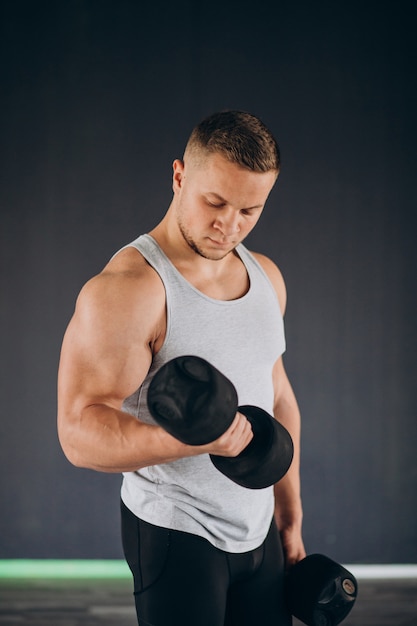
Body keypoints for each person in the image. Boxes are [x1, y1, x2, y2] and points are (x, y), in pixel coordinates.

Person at [57, 110, 306, 626]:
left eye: (249, 210)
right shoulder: (128, 290)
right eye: (214, 202)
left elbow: (277, 396)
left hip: (259, 529)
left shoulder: (268, 279)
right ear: (178, 176)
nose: (228, 225)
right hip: (177, 530)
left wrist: (290, 517)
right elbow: (78, 431)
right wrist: (197, 441)